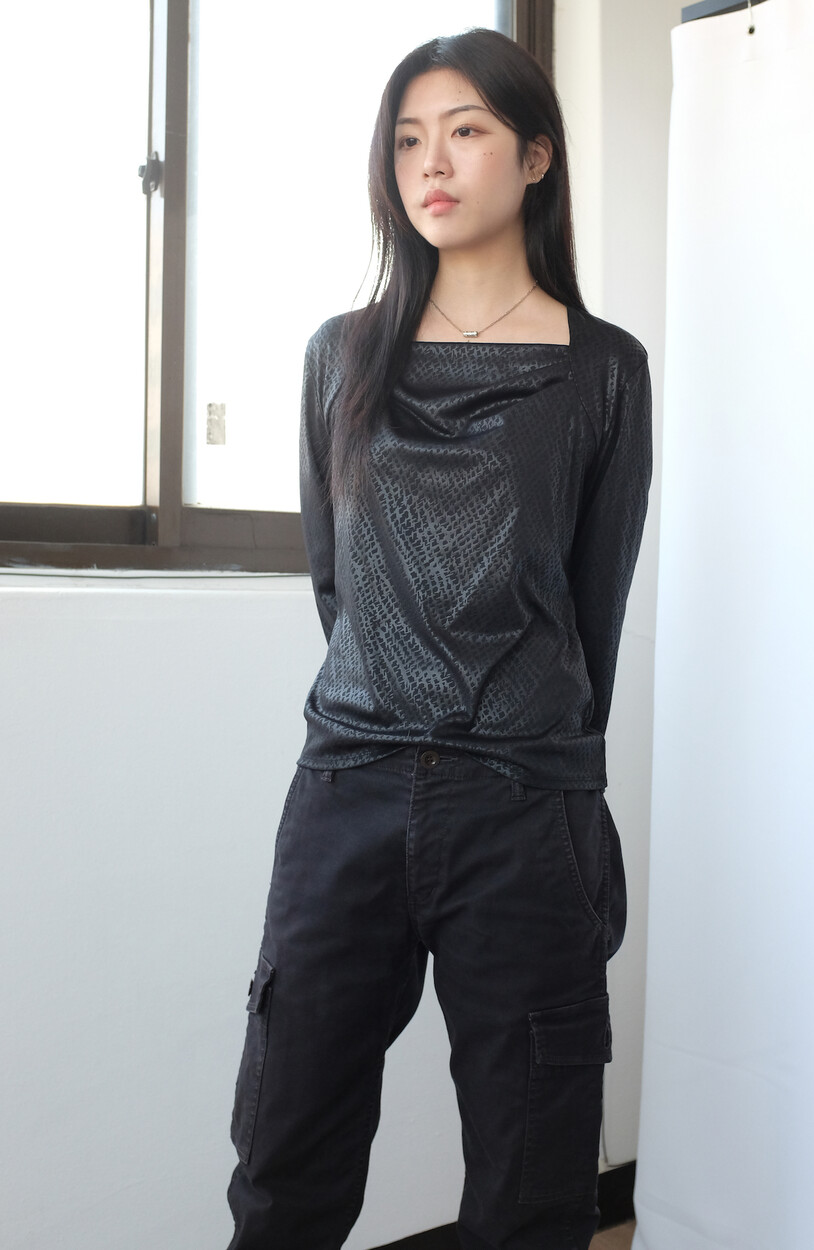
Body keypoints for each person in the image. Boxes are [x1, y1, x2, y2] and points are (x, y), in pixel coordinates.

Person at [226, 27, 652, 1250]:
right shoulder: (340, 355)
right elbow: (338, 585)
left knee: (532, 1181)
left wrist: (541, 762)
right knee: (284, 1156)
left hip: (524, 806)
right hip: (347, 793)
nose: (432, 161)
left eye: (465, 130)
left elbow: (592, 608)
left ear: (535, 156)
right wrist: (398, 691)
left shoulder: (604, 370)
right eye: (409, 138)